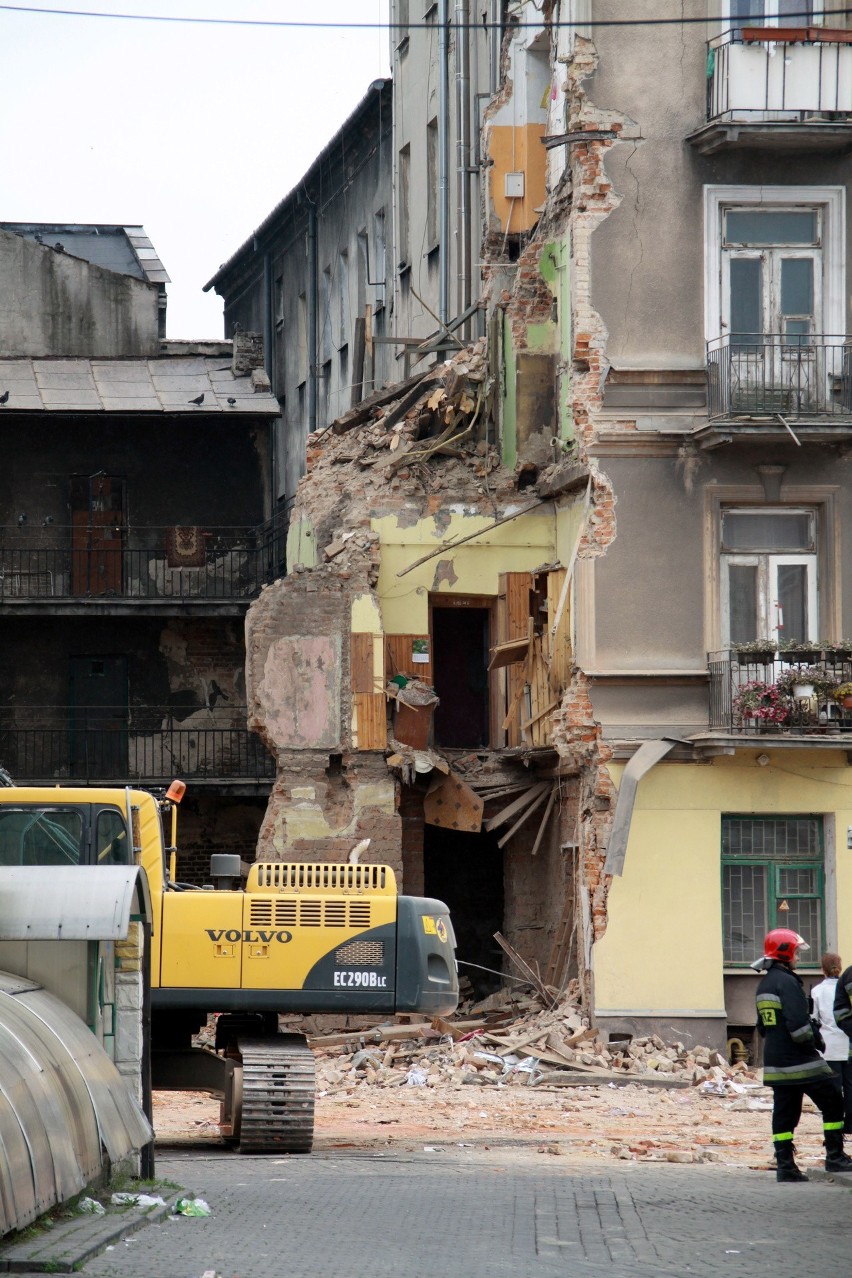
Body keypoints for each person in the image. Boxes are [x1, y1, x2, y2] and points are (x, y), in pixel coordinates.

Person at [755, 928, 852, 1182]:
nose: (798, 957)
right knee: (833, 1101)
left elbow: (762, 1027)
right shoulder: (788, 983)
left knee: (784, 1113)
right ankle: (835, 1156)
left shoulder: (765, 984)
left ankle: (785, 1165)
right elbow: (799, 1028)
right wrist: (815, 1043)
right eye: (796, 952)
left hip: (776, 1063)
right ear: (785, 953)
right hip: (800, 1061)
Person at [811, 952, 852, 1134]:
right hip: (848, 1043)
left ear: (823, 969)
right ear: (840, 967)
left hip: (829, 1046)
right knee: (850, 1087)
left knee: (834, 1089)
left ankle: (835, 1123)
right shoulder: (846, 986)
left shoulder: (817, 991)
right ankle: (850, 1123)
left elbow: (814, 1019)